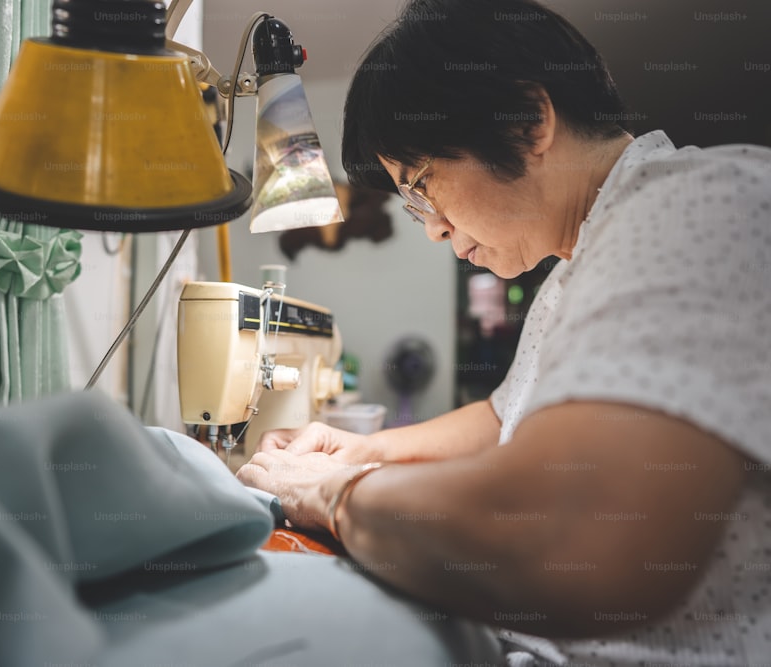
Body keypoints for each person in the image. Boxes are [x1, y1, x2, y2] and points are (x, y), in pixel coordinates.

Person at [236, 0, 771, 664]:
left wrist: (328, 493)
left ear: (527, 120)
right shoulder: (584, 262)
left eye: (423, 183)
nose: (430, 227)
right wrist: (353, 450)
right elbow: (502, 417)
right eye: (412, 204)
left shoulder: (691, 208)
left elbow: (572, 536)